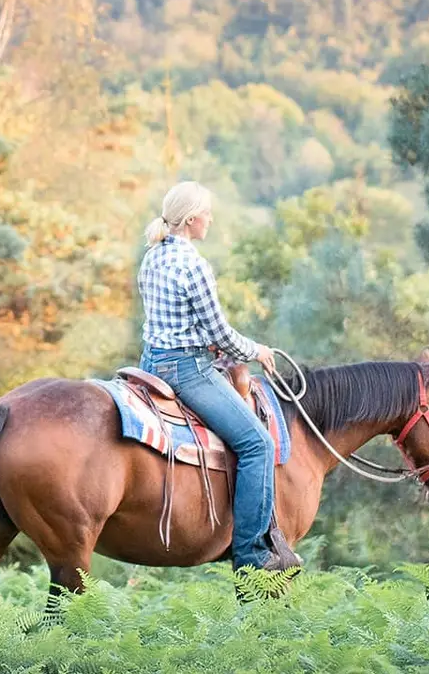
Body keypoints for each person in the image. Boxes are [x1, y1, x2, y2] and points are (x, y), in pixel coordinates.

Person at [137, 180, 299, 571]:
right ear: (192, 220)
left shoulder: (152, 256)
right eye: (207, 213)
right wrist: (256, 351)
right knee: (258, 444)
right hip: (187, 370)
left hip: (149, 364)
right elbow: (219, 333)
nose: (210, 219)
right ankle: (251, 556)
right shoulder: (193, 265)